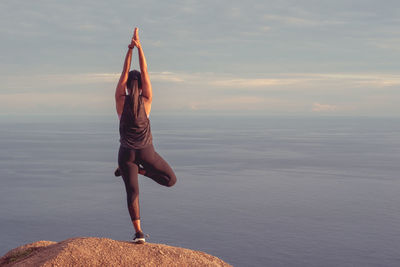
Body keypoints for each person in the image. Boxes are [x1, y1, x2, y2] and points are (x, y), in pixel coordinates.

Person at [114, 28, 177, 244]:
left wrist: (129, 50)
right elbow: (145, 70)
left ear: (126, 87)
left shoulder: (120, 100)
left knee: (132, 193)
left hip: (126, 155)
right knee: (170, 180)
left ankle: (138, 233)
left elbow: (124, 72)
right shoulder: (147, 101)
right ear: (141, 86)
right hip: (146, 152)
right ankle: (141, 171)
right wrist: (139, 48)